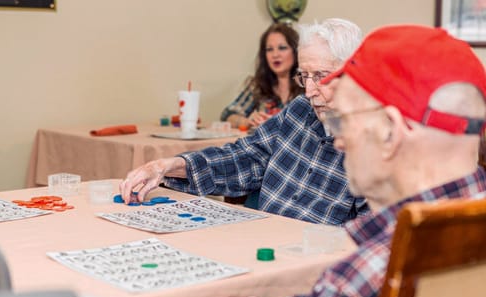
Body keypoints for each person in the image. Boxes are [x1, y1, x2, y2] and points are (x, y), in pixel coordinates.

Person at [54, 24, 486, 297]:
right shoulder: (439, 245)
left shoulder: (359, 278)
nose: (337, 140)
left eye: (344, 122)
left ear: (390, 132)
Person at [120, 18, 368, 226]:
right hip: (264, 240)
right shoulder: (299, 111)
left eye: (321, 77)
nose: (310, 91)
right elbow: (245, 158)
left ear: (353, 72)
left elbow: (372, 239)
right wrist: (170, 165)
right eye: (305, 77)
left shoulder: (373, 139)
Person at [220, 22, 304, 130]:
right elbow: (227, 114)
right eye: (269, 49)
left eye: (282, 48)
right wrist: (248, 121)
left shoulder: (308, 85)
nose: (275, 55)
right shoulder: (258, 85)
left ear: (296, 51)